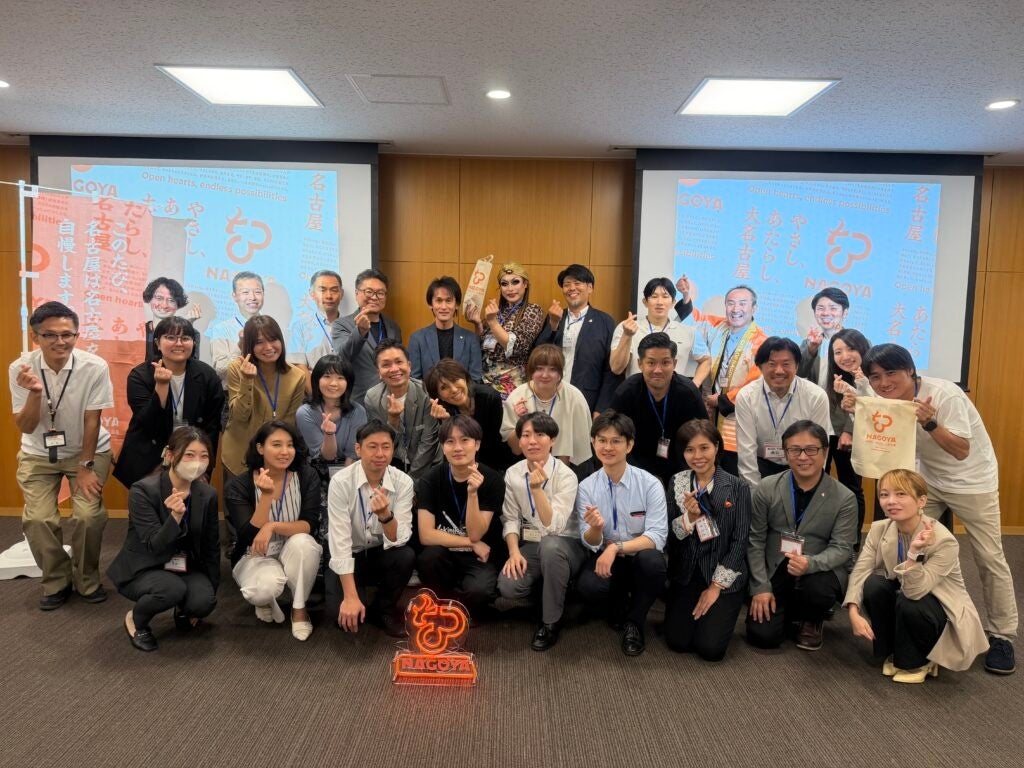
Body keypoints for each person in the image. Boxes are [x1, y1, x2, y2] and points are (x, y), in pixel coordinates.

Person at [859, 342, 1017, 674]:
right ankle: (916, 621)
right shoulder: (883, 396)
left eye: (891, 373)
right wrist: (852, 407)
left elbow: (961, 451)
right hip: (927, 480)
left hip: (972, 481)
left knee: (989, 557)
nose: (883, 383)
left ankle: (1002, 635)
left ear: (910, 371)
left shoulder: (945, 395)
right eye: (875, 377)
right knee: (905, 542)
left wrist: (931, 423)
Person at [10, 301, 114, 610]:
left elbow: (92, 420)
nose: (60, 341)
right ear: (35, 336)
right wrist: (35, 393)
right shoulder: (21, 369)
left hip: (87, 451)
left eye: (67, 334)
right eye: (50, 335)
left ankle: (86, 580)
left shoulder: (94, 366)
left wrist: (86, 466)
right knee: (38, 519)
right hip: (37, 453)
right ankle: (56, 580)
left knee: (88, 516)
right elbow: (26, 426)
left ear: (76, 335)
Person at [844, 469, 988, 683]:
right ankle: (893, 651)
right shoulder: (880, 529)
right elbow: (860, 571)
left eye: (901, 494)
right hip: (909, 594)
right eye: (884, 495)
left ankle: (919, 660)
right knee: (874, 585)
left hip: (940, 606)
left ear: (922, 501)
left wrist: (913, 553)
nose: (891, 501)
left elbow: (915, 591)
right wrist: (853, 611)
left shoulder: (943, 540)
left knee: (909, 601)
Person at [746, 420, 858, 651]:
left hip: (820, 570)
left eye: (811, 449)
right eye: (795, 450)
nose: (803, 457)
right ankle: (790, 611)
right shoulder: (767, 487)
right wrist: (761, 587)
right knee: (763, 637)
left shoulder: (845, 497)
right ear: (786, 453)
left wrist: (810, 563)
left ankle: (812, 618)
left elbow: (842, 548)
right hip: (777, 565)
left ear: (825, 452)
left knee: (817, 590)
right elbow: (755, 540)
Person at [108, 427, 219, 652]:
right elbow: (154, 544)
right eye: (189, 455)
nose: (197, 462)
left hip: (184, 564)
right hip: (145, 566)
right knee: (171, 589)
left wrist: (211, 586)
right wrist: (175, 517)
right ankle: (136, 621)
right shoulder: (143, 490)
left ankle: (183, 609)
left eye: (204, 456)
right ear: (170, 455)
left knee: (203, 601)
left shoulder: (207, 494)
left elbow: (211, 545)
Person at [576, 410, 668, 656]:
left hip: (638, 555)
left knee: (653, 563)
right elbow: (588, 540)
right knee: (587, 586)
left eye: (616, 441)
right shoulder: (586, 487)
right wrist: (596, 529)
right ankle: (619, 601)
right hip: (609, 559)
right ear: (593, 442)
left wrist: (615, 547)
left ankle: (635, 623)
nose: (608, 447)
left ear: (629, 445)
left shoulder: (650, 483)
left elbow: (657, 536)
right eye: (602, 440)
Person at [224, 421, 323, 641]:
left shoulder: (306, 476)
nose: (285, 451)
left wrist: (272, 526)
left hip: (292, 548)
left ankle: (299, 609)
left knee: (304, 542)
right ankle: (266, 600)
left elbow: (309, 524)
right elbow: (247, 536)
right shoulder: (239, 485)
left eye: (290, 445)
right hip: (254, 554)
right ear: (260, 448)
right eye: (276, 445)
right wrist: (266, 497)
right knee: (263, 589)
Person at [664, 420, 751, 662]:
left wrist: (715, 587)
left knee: (710, 649)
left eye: (704, 448)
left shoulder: (737, 487)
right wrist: (690, 518)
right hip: (687, 572)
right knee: (677, 642)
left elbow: (740, 541)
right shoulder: (678, 482)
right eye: (689, 450)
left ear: (717, 447)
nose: (697, 456)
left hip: (723, 573)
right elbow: (671, 537)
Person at [497, 412, 585, 651]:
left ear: (552, 440)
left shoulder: (566, 475)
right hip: (534, 543)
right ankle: (553, 589)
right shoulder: (513, 473)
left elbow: (554, 527)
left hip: (566, 543)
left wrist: (536, 490)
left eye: (540, 434)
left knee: (550, 546)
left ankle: (550, 622)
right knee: (509, 586)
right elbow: (510, 518)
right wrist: (514, 552)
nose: (532, 441)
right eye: (526, 435)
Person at [326, 420, 416, 638]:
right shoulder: (341, 481)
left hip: (380, 551)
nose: (380, 454)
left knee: (405, 555)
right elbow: (339, 540)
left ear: (393, 450)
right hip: (349, 552)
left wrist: (385, 516)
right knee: (342, 619)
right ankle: (354, 593)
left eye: (386, 447)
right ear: (358, 449)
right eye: (372, 446)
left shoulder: (403, 482)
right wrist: (350, 597)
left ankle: (384, 608)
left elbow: (399, 538)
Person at [114, 317, 223, 490]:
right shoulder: (140, 376)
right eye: (171, 337)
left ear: (193, 343)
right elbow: (148, 423)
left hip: (191, 455)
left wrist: (204, 466)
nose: (178, 343)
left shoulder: (207, 376)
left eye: (185, 338)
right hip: (148, 456)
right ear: (157, 343)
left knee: (190, 504)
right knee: (149, 503)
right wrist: (161, 386)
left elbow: (211, 426)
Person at [415, 415, 507, 618]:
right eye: (450, 442)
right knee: (429, 558)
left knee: (480, 591)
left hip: (480, 556)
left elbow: (475, 534)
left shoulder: (493, 480)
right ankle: (444, 603)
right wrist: (470, 543)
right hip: (446, 551)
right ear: (442, 447)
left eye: (465, 440)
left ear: (477, 444)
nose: (457, 448)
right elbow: (426, 535)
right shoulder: (430, 479)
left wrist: (472, 494)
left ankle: (462, 605)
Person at [676, 283, 767, 476]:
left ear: (754, 308)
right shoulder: (718, 327)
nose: (736, 309)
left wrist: (724, 400)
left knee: (733, 473)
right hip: (710, 412)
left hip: (736, 417)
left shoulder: (761, 342)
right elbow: (695, 320)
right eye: (731, 303)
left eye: (742, 303)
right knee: (709, 470)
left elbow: (756, 383)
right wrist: (686, 296)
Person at [609, 332, 707, 486]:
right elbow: (612, 435)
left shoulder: (688, 393)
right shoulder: (626, 392)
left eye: (665, 363)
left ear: (674, 363)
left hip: (681, 468)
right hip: (636, 469)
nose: (658, 370)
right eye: (651, 363)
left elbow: (704, 437)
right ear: (640, 364)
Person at [734, 336, 832, 488]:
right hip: (761, 466)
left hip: (801, 465)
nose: (779, 371)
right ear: (760, 366)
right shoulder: (747, 396)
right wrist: (755, 492)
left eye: (786, 364)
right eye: (771, 364)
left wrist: (812, 486)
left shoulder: (815, 396)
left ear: (797, 366)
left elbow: (819, 447)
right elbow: (746, 451)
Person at [296, 355, 367, 556]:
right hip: (316, 472)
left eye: (340, 378)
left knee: (351, 508)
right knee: (323, 518)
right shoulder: (305, 412)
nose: (333, 383)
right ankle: (322, 561)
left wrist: (344, 485)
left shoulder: (358, 411)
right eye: (327, 376)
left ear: (348, 382)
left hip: (349, 469)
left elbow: (353, 453)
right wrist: (329, 434)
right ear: (316, 380)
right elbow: (326, 456)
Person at [220, 315, 306, 484]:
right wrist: (247, 380)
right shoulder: (237, 369)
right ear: (250, 345)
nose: (268, 347)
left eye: (273, 340)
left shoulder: (297, 376)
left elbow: (289, 424)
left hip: (276, 458)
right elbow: (239, 416)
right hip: (239, 456)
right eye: (259, 342)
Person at [534, 263, 620, 415]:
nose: (571, 288)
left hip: (587, 400)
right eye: (567, 284)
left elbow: (610, 371)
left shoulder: (605, 321)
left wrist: (601, 409)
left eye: (577, 283)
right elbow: (538, 355)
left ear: (590, 288)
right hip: (552, 395)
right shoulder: (555, 317)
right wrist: (553, 325)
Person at [501, 344, 593, 467]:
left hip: (569, 466)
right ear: (531, 371)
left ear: (560, 373)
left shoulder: (575, 398)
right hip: (525, 462)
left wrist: (559, 474)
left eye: (552, 369)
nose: (545, 375)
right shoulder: (517, 396)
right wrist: (521, 421)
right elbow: (516, 450)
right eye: (539, 369)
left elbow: (580, 450)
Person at [363, 339, 441, 479]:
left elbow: (429, 443)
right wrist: (393, 421)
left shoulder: (426, 392)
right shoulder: (372, 398)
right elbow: (381, 442)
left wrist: (410, 481)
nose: (394, 369)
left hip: (428, 465)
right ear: (379, 372)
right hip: (393, 464)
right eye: (386, 365)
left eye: (399, 362)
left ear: (409, 366)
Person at [466, 262, 544, 399]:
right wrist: (478, 324)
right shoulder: (498, 311)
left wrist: (492, 322)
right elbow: (480, 346)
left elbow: (517, 347)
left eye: (515, 282)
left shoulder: (532, 310)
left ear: (525, 284)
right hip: (485, 382)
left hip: (512, 384)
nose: (510, 288)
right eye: (504, 284)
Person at [609, 277, 710, 383]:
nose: (659, 302)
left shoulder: (689, 332)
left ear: (673, 302)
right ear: (645, 302)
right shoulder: (627, 328)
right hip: (638, 392)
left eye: (665, 297)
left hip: (675, 392)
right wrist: (627, 335)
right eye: (654, 296)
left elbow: (706, 360)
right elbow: (616, 368)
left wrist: (693, 386)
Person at [424, 358, 514, 472]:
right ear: (439, 396)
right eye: (444, 387)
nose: (454, 389)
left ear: (465, 378)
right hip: (463, 466)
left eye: (455, 380)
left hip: (498, 463)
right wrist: (447, 422)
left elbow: (494, 443)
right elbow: (449, 450)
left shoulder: (489, 398)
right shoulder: (442, 411)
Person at [822, 328, 872, 531]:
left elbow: (867, 406)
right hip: (828, 434)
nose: (845, 356)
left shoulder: (870, 376)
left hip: (852, 436)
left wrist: (848, 431)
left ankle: (853, 541)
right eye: (838, 352)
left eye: (851, 349)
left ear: (862, 349)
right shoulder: (836, 375)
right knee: (820, 485)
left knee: (851, 488)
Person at [331, 268, 402, 405]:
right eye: (369, 292)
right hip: (358, 402)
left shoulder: (393, 327)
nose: (374, 297)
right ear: (357, 293)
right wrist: (360, 332)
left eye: (380, 293)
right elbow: (341, 359)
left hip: (390, 400)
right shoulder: (341, 325)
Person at [408, 276, 483, 381]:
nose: (443, 307)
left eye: (448, 300)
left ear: (457, 305)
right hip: (428, 392)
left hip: (462, 391)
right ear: (430, 304)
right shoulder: (417, 339)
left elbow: (475, 379)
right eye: (438, 301)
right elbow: (414, 380)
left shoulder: (471, 339)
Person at [288, 270, 345, 387]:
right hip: (313, 393)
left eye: (334, 290)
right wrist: (316, 395)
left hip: (346, 392)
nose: (329, 296)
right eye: (322, 290)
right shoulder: (300, 328)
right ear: (312, 294)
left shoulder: (351, 326)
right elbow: (299, 368)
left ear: (341, 294)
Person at [210, 271, 264, 380]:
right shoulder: (221, 329)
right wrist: (240, 345)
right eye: (245, 292)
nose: (252, 297)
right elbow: (221, 372)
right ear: (234, 296)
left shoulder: (271, 327)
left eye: (257, 292)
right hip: (235, 389)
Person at [798, 287, 850, 390]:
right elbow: (799, 373)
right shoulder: (808, 343)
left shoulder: (857, 342)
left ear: (845, 313)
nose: (826, 313)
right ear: (814, 313)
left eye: (833, 308)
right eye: (820, 308)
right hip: (813, 399)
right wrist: (811, 350)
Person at [142, 277, 200, 363]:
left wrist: (186, 329)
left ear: (178, 305)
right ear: (149, 299)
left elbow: (191, 365)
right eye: (159, 298)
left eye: (171, 300)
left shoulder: (194, 333)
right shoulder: (139, 330)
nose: (164, 305)